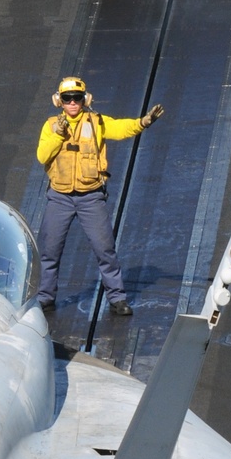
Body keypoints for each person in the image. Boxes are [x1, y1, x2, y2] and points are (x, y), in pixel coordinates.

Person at [34, 77, 164, 317]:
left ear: (86, 99)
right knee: (50, 251)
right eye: (67, 98)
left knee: (105, 250)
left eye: (77, 98)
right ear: (58, 101)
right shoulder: (51, 125)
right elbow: (42, 156)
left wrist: (143, 122)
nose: (72, 102)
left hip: (91, 197)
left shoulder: (96, 122)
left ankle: (117, 298)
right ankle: (46, 298)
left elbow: (121, 128)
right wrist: (58, 136)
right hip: (59, 198)